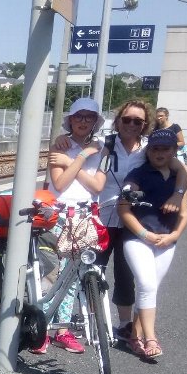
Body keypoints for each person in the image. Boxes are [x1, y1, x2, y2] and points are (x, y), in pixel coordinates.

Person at [54, 98, 152, 343]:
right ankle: (93, 322)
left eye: (137, 121)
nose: (131, 124)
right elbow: (87, 181)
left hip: (132, 218)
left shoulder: (149, 149)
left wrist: (181, 191)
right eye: (126, 119)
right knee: (90, 270)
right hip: (101, 216)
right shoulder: (106, 144)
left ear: (145, 124)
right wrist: (65, 152)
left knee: (126, 272)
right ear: (117, 121)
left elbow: (173, 163)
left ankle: (125, 325)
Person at [33, 97, 106, 354]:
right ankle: (40, 330)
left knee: (74, 277)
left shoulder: (102, 149)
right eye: (79, 116)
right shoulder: (60, 146)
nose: (84, 121)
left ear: (96, 121)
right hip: (58, 215)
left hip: (84, 216)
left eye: (89, 117)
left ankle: (62, 330)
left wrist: (76, 160)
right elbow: (60, 184)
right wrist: (80, 158)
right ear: (71, 120)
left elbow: (97, 186)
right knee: (50, 273)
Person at [117, 128, 187, 360]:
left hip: (167, 241)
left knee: (149, 290)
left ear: (173, 151)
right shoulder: (138, 175)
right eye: (155, 149)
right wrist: (144, 234)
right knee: (147, 285)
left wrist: (174, 236)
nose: (160, 153)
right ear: (148, 151)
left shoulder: (179, 177)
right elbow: (123, 208)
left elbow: (185, 213)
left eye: (165, 149)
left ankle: (135, 336)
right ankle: (151, 339)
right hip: (138, 239)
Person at [154, 107, 187, 179]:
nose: (159, 118)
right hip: (158, 158)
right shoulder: (155, 129)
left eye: (161, 116)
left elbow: (182, 142)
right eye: (157, 116)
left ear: (166, 116)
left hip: (173, 157)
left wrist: (168, 146)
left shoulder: (175, 127)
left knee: (179, 176)